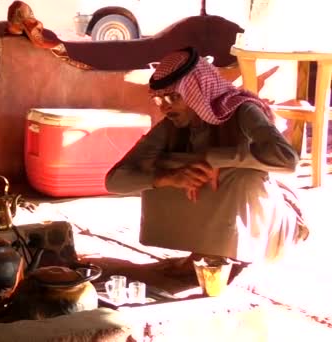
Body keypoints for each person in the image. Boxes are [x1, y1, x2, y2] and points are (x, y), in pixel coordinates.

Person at [105, 47, 309, 278]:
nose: (164, 107)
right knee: (164, 169)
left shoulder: (242, 110)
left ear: (197, 90)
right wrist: (169, 178)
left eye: (173, 97)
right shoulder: (171, 126)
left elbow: (287, 160)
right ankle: (205, 251)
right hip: (219, 227)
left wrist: (215, 159)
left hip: (271, 223)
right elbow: (114, 181)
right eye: (159, 99)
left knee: (243, 175)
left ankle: (229, 253)